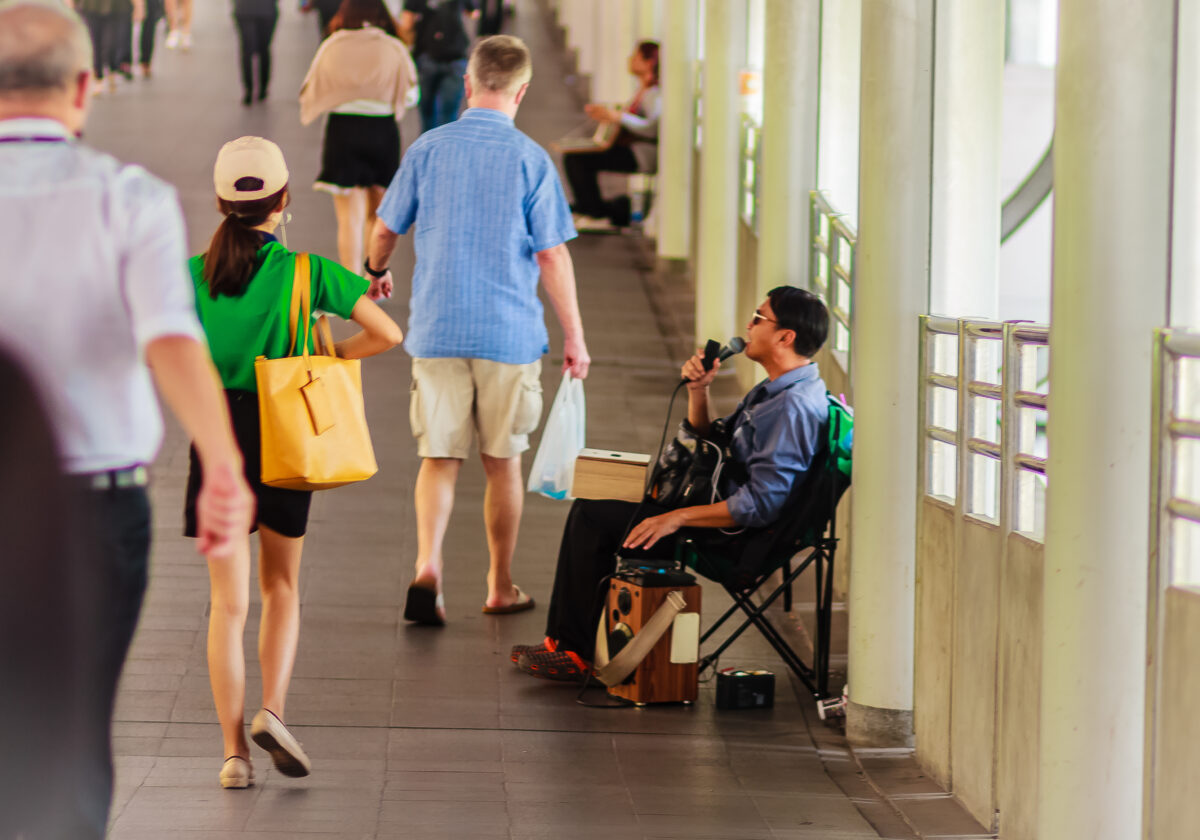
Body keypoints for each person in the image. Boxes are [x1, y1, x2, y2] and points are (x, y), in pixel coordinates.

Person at [0, 2, 254, 833]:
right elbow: (171, 342)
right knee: (71, 731)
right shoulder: (128, 199)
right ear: (81, 89)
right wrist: (222, 465)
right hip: (90, 509)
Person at [188, 137, 403, 789]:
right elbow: (389, 334)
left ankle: (232, 755)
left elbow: (153, 350)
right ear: (283, 201)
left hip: (216, 439)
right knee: (280, 587)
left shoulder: (190, 272)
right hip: (284, 435)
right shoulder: (311, 274)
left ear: (223, 202)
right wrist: (328, 352)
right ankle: (272, 711)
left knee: (226, 604)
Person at [366, 34, 590, 625]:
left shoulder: (428, 149)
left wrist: (375, 272)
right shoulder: (531, 160)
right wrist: (575, 336)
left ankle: (428, 570)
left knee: (438, 458)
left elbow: (386, 228)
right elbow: (552, 257)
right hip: (509, 335)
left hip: (437, 327)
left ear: (468, 84)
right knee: (502, 462)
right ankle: (499, 583)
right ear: (522, 91)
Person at [512, 287, 831, 681]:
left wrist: (676, 518)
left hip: (732, 539)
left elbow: (761, 504)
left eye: (759, 318)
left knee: (594, 516)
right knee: (596, 506)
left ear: (786, 336)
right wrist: (699, 390)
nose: (748, 325)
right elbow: (713, 443)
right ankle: (566, 645)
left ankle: (571, 650)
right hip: (717, 510)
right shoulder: (780, 388)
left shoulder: (791, 407)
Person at [300, 0, 417, 272]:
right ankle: (372, 275)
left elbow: (310, 89)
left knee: (347, 219)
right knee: (377, 216)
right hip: (382, 131)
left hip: (343, 131)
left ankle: (351, 289)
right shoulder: (392, 47)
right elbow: (411, 95)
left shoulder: (332, 45)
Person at [564, 40, 660, 231]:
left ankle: (594, 211)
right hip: (633, 149)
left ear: (648, 62)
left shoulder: (653, 94)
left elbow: (652, 127)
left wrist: (619, 117)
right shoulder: (644, 91)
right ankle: (589, 208)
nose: (630, 60)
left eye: (636, 56)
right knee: (578, 157)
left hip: (642, 154)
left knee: (578, 159)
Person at [400, 0, 477, 132]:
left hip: (427, 55)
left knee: (427, 114)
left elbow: (407, 24)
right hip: (456, 56)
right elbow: (474, 13)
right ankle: (445, 149)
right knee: (449, 114)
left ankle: (428, 148)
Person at [233, 0, 278, 105]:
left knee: (247, 50)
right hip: (267, 9)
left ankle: (248, 90)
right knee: (264, 49)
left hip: (244, 9)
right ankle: (263, 89)